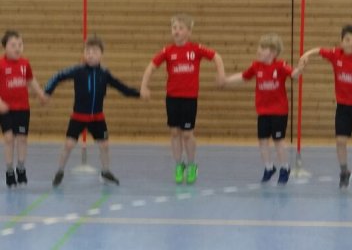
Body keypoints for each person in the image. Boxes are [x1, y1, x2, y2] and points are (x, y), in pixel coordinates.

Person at [44, 35, 140, 187]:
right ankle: (60, 171)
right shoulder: (78, 70)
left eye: (94, 52)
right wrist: (47, 91)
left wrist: (138, 94)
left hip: (97, 118)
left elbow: (121, 87)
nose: (90, 55)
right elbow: (57, 76)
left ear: (101, 54)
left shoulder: (104, 73)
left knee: (104, 145)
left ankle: (105, 172)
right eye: (87, 51)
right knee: (68, 145)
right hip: (78, 116)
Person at [140, 14, 225, 185]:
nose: (176, 31)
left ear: (189, 32)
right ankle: (179, 165)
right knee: (174, 132)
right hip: (172, 98)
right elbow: (151, 67)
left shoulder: (196, 49)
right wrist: (144, 86)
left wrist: (221, 74)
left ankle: (192, 165)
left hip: (189, 98)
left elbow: (216, 56)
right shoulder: (167, 51)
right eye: (174, 28)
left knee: (187, 134)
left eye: (180, 28)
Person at [301, 25, 352, 188]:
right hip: (343, 106)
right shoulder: (335, 54)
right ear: (342, 41)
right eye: (347, 40)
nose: (350, 43)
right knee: (340, 140)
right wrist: (306, 54)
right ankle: (344, 172)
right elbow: (319, 50)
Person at [223, 34, 304, 185]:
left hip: (279, 111)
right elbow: (243, 76)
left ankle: (285, 168)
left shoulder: (280, 65)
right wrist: (226, 80)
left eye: (263, 48)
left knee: (278, 141)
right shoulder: (256, 66)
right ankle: (269, 167)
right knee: (262, 141)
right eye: (259, 47)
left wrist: (299, 69)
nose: (258, 50)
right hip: (263, 111)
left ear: (272, 52)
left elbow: (294, 74)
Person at [0, 30, 47, 187]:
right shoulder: (1, 65)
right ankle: (9, 170)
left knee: (22, 138)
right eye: (13, 45)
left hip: (22, 108)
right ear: (5, 47)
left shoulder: (25, 64)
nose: (17, 48)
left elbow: (30, 80)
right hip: (6, 109)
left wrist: (40, 94)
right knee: (8, 139)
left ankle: (20, 168)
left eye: (20, 45)